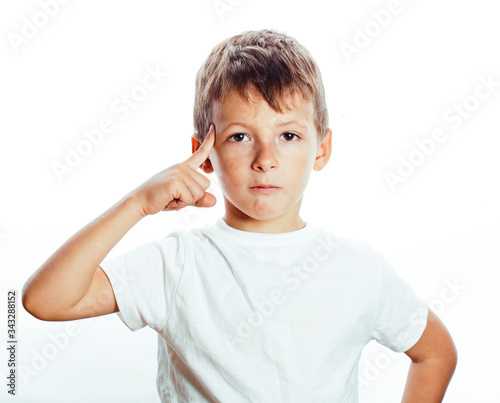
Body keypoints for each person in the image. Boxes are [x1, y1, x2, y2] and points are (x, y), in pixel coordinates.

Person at [22, 28, 457, 402]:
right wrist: (137, 204)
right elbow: (45, 300)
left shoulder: (360, 268)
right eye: (239, 136)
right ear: (202, 155)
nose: (265, 158)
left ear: (321, 148)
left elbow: (435, 352)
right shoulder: (178, 264)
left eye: (288, 134)